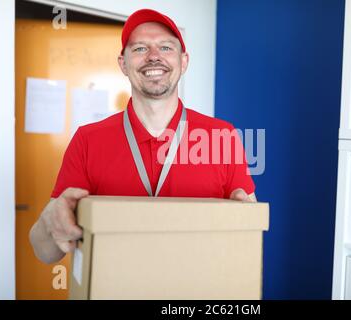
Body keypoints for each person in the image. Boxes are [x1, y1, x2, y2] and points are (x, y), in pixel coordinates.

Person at [30, 9, 256, 264]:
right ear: (123, 64)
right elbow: (45, 253)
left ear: (184, 62)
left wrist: (245, 220)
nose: (154, 57)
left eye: (166, 47)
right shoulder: (88, 140)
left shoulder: (222, 137)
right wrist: (50, 220)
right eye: (139, 49)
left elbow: (246, 245)